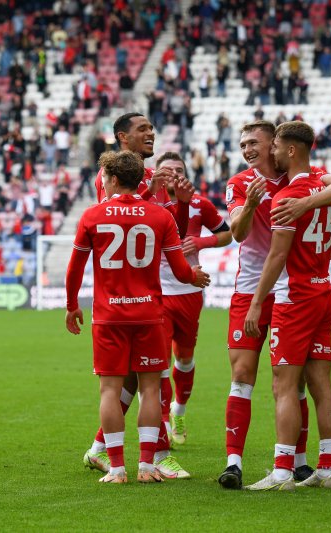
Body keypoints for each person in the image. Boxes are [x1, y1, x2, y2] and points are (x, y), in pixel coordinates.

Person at [218, 120, 331, 489]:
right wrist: (249, 206)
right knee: (247, 375)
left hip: (287, 293)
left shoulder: (303, 186)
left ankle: (290, 466)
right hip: (276, 289)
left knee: (289, 383)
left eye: (258, 143)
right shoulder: (241, 183)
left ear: (279, 147)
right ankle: (236, 462)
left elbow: (281, 255)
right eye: (243, 143)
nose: (249, 150)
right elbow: (238, 233)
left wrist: (303, 215)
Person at [65, 151, 210, 483]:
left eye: (103, 178)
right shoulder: (160, 217)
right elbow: (180, 269)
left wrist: (72, 305)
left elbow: (75, 269)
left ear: (114, 179)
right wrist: (193, 277)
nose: (102, 182)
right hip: (149, 314)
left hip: (109, 316)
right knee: (150, 390)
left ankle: (116, 467)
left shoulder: (92, 216)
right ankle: (146, 466)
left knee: (109, 391)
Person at [83, 113, 193, 479]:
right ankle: (156, 456)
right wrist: (151, 190)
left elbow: (169, 226)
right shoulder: (111, 176)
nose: (151, 133)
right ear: (122, 138)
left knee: (136, 379)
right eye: (143, 129)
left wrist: (180, 201)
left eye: (151, 127)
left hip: (153, 287)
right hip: (133, 295)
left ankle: (103, 450)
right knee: (150, 379)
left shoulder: (153, 177)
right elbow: (116, 210)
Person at [154, 153, 233, 446]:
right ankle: (160, 424)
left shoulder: (200, 204)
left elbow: (228, 234)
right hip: (158, 292)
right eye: (168, 169)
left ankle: (179, 411)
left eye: (179, 169)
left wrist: (202, 241)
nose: (174, 173)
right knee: (158, 362)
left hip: (189, 291)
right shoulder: (150, 203)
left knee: (184, 359)